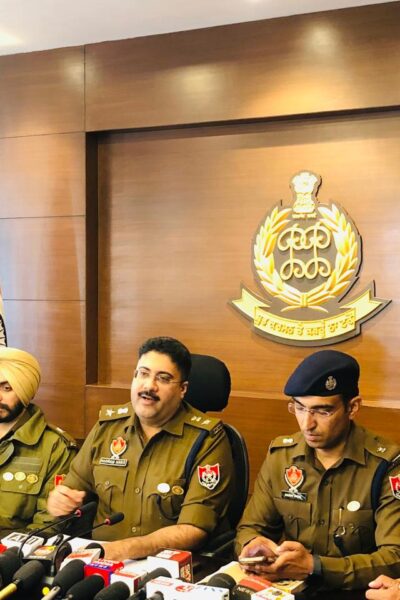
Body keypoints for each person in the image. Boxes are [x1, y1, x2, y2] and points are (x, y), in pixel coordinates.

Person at [48, 336, 234, 560]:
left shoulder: (207, 440)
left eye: (163, 378)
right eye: (143, 374)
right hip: (99, 561)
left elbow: (194, 528)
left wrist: (126, 549)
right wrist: (60, 500)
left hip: (164, 567)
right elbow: (73, 487)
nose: (149, 386)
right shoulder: (107, 427)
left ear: (182, 389)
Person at [235, 349, 400, 590]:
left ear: (352, 407)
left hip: (358, 591)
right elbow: (250, 528)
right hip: (290, 588)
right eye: (300, 408)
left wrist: (315, 566)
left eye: (323, 411)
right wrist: (252, 546)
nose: (307, 424)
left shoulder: (387, 464)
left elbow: (394, 557)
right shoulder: (281, 456)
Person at [0, 346, 78, 536]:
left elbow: (47, 525)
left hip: (13, 550)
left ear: (26, 392)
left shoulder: (55, 447)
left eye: (7, 388)